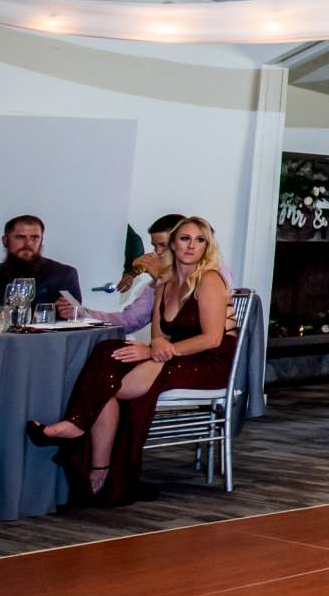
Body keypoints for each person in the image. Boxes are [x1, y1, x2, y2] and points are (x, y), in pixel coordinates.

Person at [30, 216, 236, 506]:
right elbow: (159, 335)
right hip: (171, 355)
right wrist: (156, 346)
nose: (191, 246)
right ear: (173, 245)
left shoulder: (209, 279)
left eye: (199, 240)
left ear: (207, 246)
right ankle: (100, 472)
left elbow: (212, 339)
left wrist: (155, 351)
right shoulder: (163, 285)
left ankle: (76, 426)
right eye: (185, 239)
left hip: (208, 361)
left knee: (112, 385)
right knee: (108, 350)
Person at [0, 215, 81, 308]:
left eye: (34, 237)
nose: (28, 243)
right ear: (5, 241)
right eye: (20, 237)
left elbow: (76, 313)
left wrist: (72, 311)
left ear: (41, 241)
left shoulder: (64, 275)